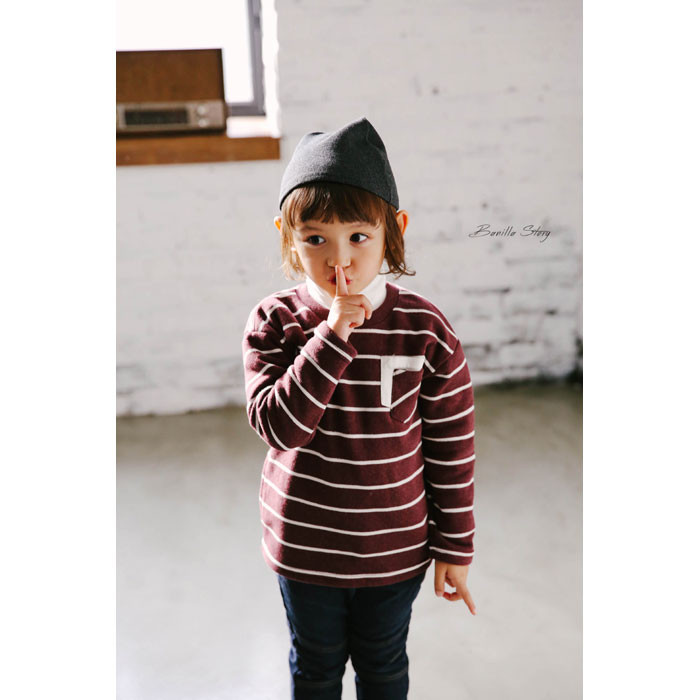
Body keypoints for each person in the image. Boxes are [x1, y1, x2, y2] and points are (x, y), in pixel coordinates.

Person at [241, 117, 476, 700]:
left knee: (383, 667)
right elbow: (279, 427)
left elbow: (451, 447)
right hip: (306, 549)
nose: (338, 260)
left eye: (359, 237)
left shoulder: (424, 328)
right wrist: (331, 336)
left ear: (393, 230)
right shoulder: (275, 321)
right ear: (287, 236)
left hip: (395, 551)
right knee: (315, 668)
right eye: (316, 239)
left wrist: (454, 546)